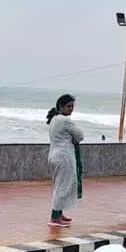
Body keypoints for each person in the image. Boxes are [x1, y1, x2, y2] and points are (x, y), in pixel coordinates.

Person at [47, 94, 84, 227]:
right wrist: (73, 139)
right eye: (68, 106)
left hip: (54, 155)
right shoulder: (65, 120)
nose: (71, 109)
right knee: (63, 186)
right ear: (60, 106)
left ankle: (59, 214)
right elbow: (80, 135)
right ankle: (55, 218)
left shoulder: (54, 119)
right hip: (64, 157)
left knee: (60, 185)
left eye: (72, 106)